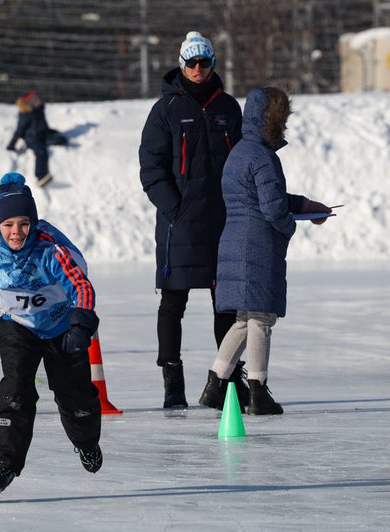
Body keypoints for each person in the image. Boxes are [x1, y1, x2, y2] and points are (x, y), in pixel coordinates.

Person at [199, 86, 331, 415]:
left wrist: (305, 205)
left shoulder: (240, 153)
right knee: (260, 319)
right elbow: (272, 209)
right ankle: (258, 392)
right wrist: (290, 227)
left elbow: (263, 198)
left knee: (244, 320)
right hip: (256, 246)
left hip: (235, 242)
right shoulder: (263, 157)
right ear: (273, 121)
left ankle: (215, 385)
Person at [0, 172, 102, 501]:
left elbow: (80, 285)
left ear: (32, 223)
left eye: (23, 224)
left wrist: (80, 325)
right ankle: (2, 463)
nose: (16, 232)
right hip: (19, 327)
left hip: (60, 327)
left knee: (75, 396)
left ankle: (86, 442)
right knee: (14, 389)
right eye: (8, 226)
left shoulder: (51, 252)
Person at [138, 31, 246, 410]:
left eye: (204, 63)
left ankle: (228, 379)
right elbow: (151, 169)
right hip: (179, 226)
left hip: (222, 223)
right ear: (181, 64)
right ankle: (172, 381)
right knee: (172, 303)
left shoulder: (228, 108)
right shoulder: (165, 110)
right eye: (191, 63)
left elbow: (246, 159)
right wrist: (175, 208)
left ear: (213, 64)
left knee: (227, 304)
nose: (198, 69)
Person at [6, 91, 68, 188]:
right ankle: (41, 176)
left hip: (43, 135)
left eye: (37, 98)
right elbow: (19, 130)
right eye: (35, 100)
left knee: (61, 140)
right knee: (41, 151)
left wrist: (51, 132)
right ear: (29, 102)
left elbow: (42, 126)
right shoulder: (26, 114)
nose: (38, 101)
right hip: (32, 139)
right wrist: (11, 145)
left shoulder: (39, 111)